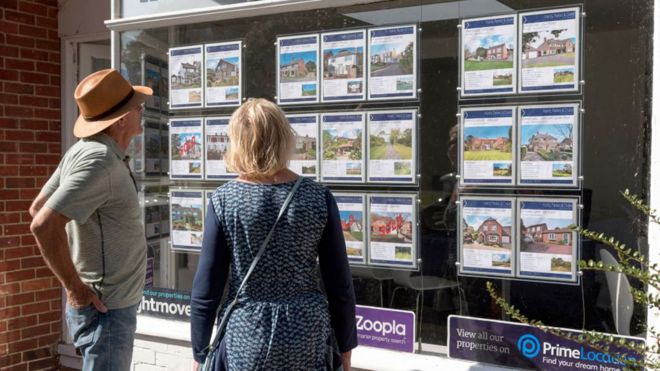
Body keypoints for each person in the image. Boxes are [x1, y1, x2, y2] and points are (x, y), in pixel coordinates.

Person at [190, 99, 357, 370]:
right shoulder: (318, 197)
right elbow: (339, 283)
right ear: (283, 138)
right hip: (307, 332)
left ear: (239, 142)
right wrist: (346, 345)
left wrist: (199, 350)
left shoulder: (224, 200)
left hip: (247, 332)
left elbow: (207, 287)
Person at [29, 69, 152, 370]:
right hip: (106, 311)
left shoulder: (85, 152)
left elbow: (38, 207)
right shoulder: (99, 161)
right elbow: (42, 222)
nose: (142, 111)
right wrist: (75, 287)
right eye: (137, 107)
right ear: (121, 118)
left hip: (107, 309)